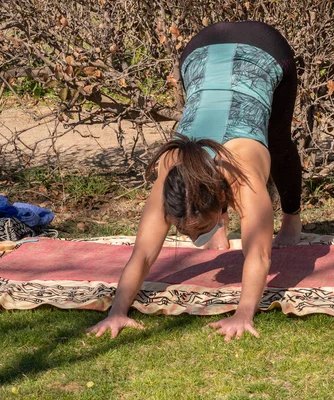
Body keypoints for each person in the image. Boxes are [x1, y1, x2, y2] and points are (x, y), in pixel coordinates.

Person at [88, 21, 302, 341]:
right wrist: (117, 311)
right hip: (202, 48)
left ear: (221, 194)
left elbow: (258, 254)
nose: (189, 242)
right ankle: (217, 227)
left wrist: (243, 314)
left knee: (279, 142)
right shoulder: (171, 167)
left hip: (266, 48)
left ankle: (292, 221)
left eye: (197, 230)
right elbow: (143, 255)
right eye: (185, 231)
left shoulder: (245, 170)